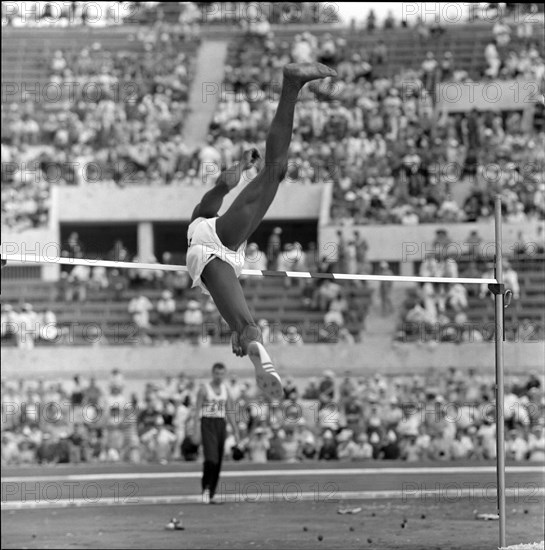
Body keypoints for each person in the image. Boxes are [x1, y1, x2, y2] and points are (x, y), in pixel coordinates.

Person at [186, 62, 336, 400]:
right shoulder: (200, 221)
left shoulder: (201, 224)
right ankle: (291, 86)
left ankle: (251, 342)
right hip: (221, 249)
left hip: (217, 249)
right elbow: (224, 184)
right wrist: (241, 164)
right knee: (274, 170)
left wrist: (238, 170)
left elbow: (221, 188)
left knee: (275, 171)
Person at [192, 363, 241, 504]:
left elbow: (230, 412)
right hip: (207, 423)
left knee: (218, 459)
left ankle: (211, 493)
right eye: (217, 374)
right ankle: (205, 488)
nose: (219, 377)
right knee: (211, 458)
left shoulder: (226, 390)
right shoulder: (204, 389)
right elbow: (197, 411)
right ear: (212, 373)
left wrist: (236, 431)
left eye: (222, 374)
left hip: (220, 423)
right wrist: (195, 431)